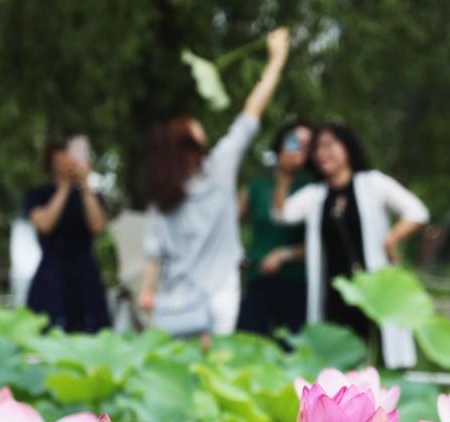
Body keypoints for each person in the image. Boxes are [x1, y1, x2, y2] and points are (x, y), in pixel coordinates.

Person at [139, 28, 290, 339]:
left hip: (175, 303)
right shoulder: (218, 169)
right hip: (219, 299)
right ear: (189, 143)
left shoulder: (161, 194)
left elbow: (154, 254)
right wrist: (276, 61)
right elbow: (251, 114)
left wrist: (147, 292)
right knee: (212, 378)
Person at [273, 122, 429, 368]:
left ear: (347, 147)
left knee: (380, 357)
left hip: (372, 292)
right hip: (333, 295)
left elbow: (417, 212)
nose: (322, 153)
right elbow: (282, 214)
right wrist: (284, 174)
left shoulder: (373, 183)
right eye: (316, 149)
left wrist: (392, 239)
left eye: (329, 145)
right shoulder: (316, 194)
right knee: (338, 365)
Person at [24, 137, 110, 332]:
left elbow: (97, 226)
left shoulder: (90, 196)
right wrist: (63, 187)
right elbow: (44, 224)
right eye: (63, 152)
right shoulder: (38, 194)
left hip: (86, 276)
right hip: (51, 276)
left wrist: (85, 184)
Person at [238, 120, 313, 336]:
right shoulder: (257, 186)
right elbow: (230, 225)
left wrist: (285, 254)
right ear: (280, 144)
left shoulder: (311, 189)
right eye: (294, 142)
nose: (299, 149)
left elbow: (322, 243)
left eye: (307, 145)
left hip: (296, 282)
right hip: (258, 277)